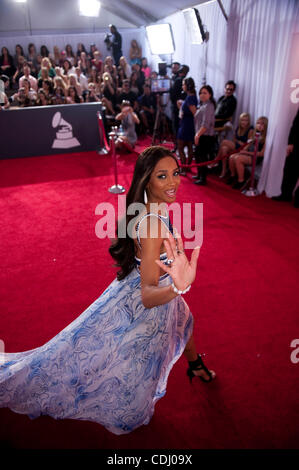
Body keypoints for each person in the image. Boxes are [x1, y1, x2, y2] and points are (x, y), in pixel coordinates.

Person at [0, 145, 215, 435]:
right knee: (124, 406)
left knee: (185, 321)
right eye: (162, 176)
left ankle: (195, 365)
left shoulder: (153, 208)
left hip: (141, 290)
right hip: (146, 304)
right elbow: (148, 295)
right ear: (146, 180)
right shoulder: (152, 224)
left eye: (175, 173)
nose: (173, 181)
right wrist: (181, 286)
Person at [227, 116, 268, 189]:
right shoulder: (254, 134)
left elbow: (261, 153)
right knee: (232, 157)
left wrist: (247, 153)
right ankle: (233, 176)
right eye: (258, 123)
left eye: (262, 124)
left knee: (238, 159)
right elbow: (248, 145)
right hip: (248, 154)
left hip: (255, 157)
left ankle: (241, 181)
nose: (259, 125)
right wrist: (242, 151)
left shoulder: (266, 138)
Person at [272, 108, 299, 207]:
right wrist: (291, 142)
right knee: (289, 170)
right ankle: (286, 195)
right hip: (296, 144)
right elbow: (295, 125)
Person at [216, 112, 254, 178]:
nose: (244, 122)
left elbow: (249, 144)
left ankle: (216, 159)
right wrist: (239, 141)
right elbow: (234, 139)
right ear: (240, 120)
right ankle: (224, 170)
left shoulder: (250, 129)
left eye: (246, 120)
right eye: (242, 120)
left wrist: (241, 144)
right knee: (224, 148)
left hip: (243, 149)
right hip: (237, 146)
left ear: (248, 121)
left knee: (224, 141)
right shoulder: (238, 128)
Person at [193, 85, 216, 185]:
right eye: (201, 93)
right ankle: (199, 175)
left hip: (205, 136)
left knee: (202, 157)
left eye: (205, 93)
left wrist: (197, 135)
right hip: (201, 134)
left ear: (210, 95)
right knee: (198, 156)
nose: (202, 95)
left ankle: (203, 178)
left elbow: (206, 124)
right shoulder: (203, 105)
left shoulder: (209, 106)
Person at [177, 76, 197, 175]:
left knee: (180, 146)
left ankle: (184, 168)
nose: (182, 86)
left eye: (183, 84)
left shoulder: (190, 98)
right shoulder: (191, 96)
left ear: (187, 86)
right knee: (189, 146)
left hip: (186, 125)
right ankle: (187, 167)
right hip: (188, 124)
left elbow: (195, 113)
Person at [169, 64, 189, 152]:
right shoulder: (188, 81)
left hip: (177, 108)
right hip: (185, 108)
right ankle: (183, 147)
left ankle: (177, 146)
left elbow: (172, 95)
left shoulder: (177, 80)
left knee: (176, 127)